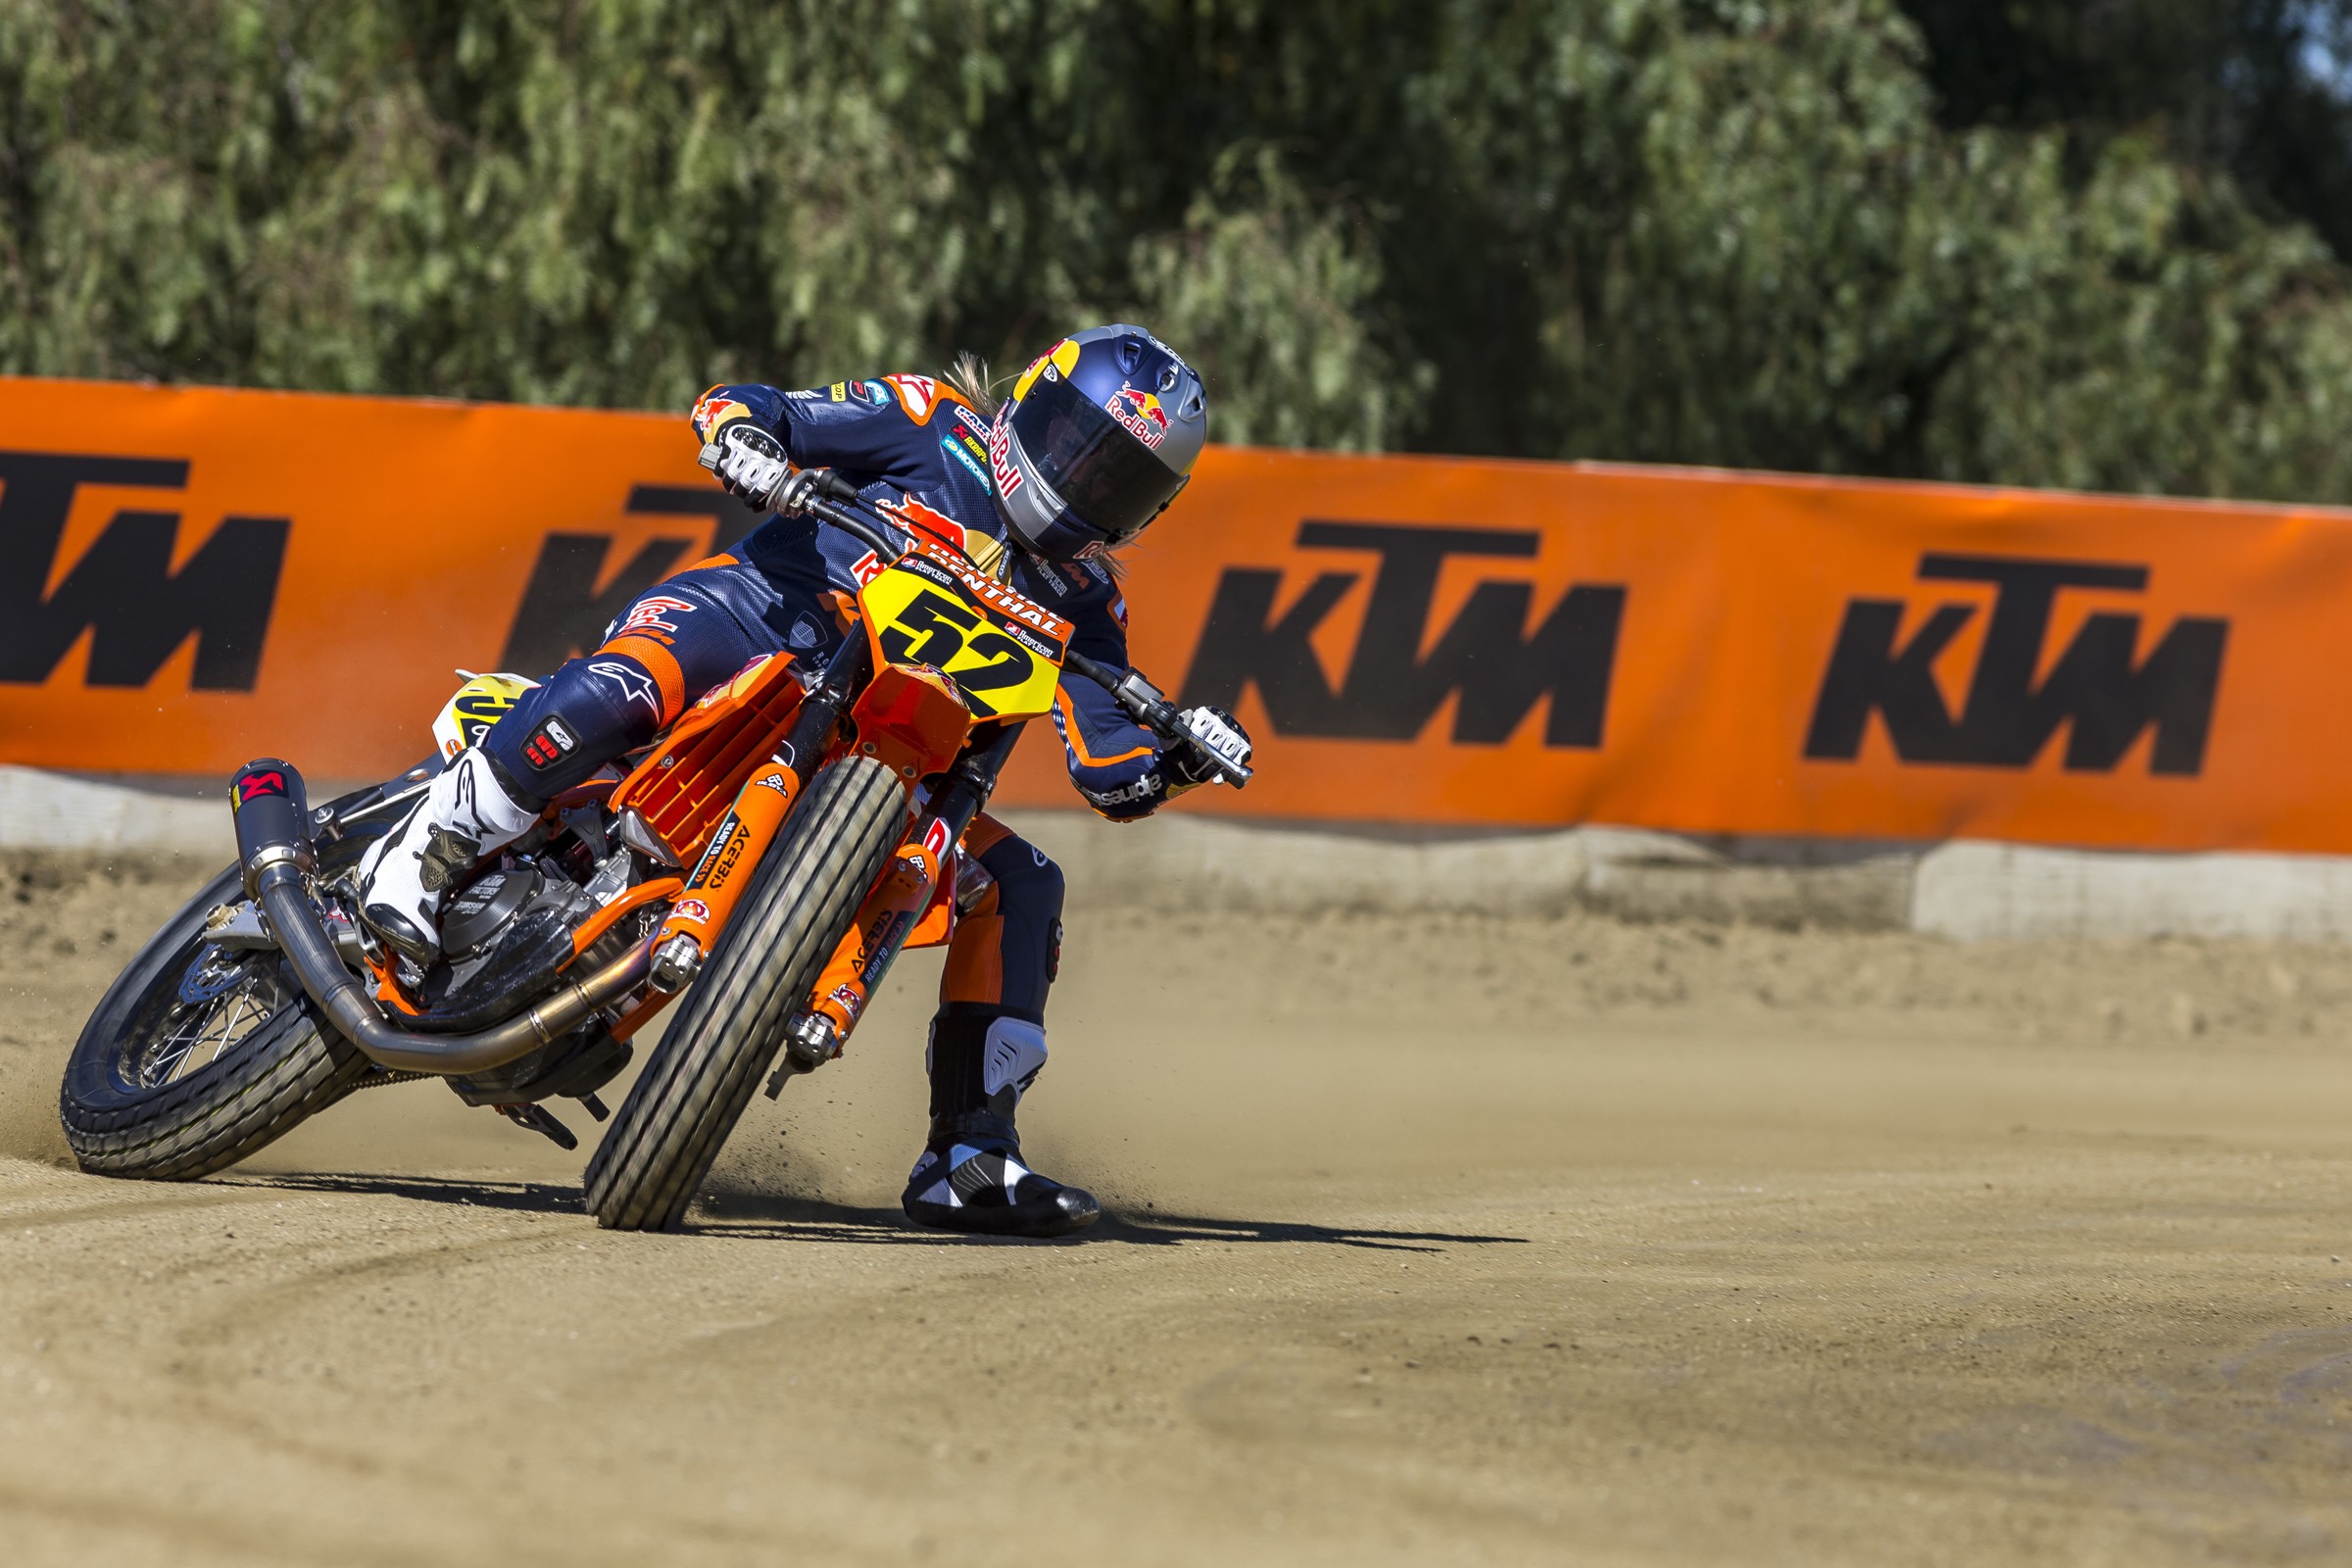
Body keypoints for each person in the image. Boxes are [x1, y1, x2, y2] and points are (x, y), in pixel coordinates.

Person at [356, 324, 1250, 1237]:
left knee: (1024, 886)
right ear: (1030, 402)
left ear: (1152, 507)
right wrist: (747, 443)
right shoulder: (929, 423)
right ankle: (426, 846)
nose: (1083, 480)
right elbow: (760, 409)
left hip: (885, 772)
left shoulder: (1088, 601)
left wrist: (1178, 759)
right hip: (753, 628)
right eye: (1074, 445)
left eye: (1119, 479)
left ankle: (969, 1155)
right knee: (627, 688)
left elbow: (1109, 769)